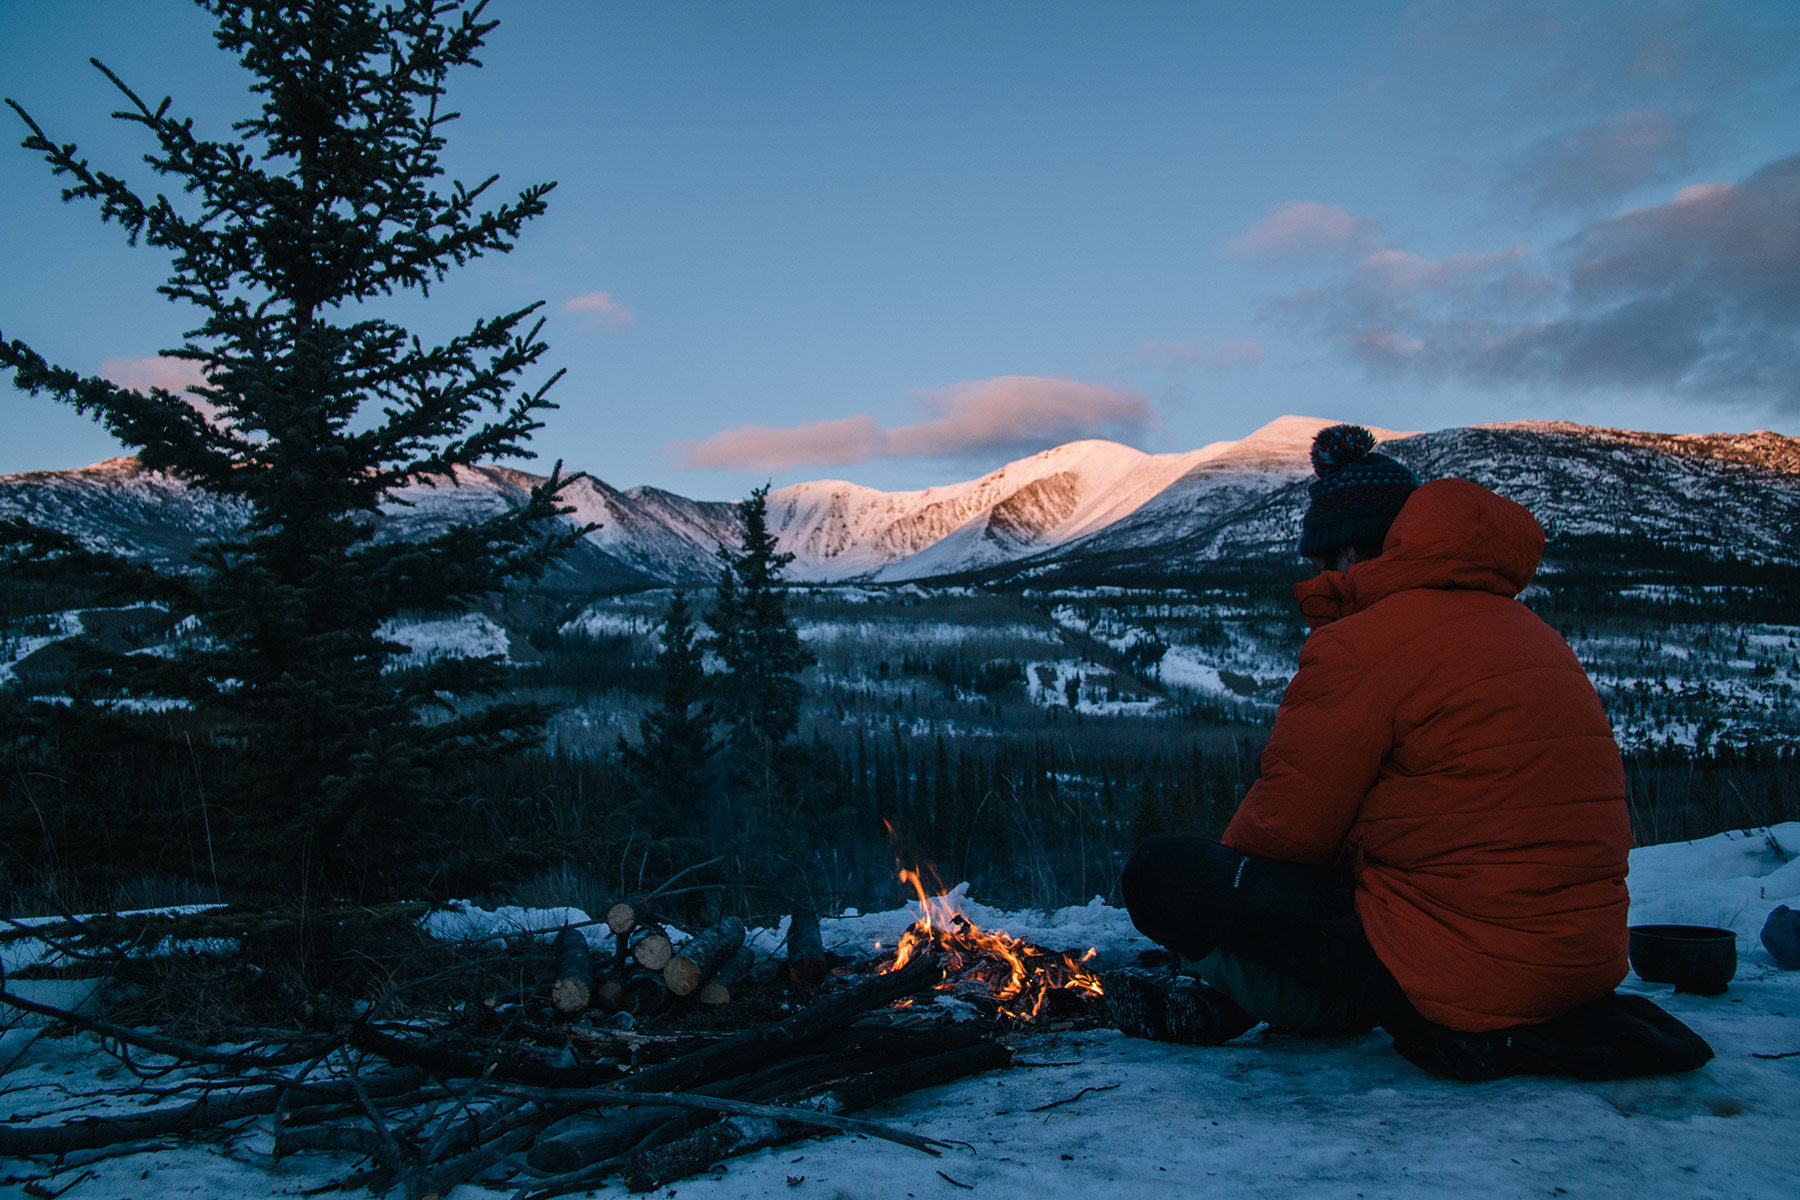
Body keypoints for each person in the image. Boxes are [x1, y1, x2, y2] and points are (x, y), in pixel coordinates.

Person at [1110, 423, 1705, 1079]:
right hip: (1578, 968)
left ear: (1352, 551)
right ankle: (1278, 998)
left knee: (1163, 872)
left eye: (1319, 561)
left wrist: (1228, 911)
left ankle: (1262, 1000)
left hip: (1465, 973)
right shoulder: (1532, 634)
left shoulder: (1366, 642)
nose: (1314, 577)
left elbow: (1284, 834)